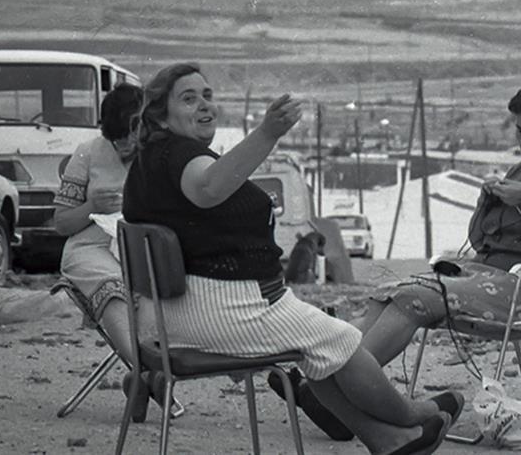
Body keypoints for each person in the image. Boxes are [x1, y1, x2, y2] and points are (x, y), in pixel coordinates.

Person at [121, 63, 455, 455]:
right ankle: (414, 414)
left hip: (171, 314)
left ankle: (388, 440)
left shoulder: (153, 158)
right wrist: (268, 133)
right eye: (188, 98)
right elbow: (209, 188)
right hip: (223, 310)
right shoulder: (178, 155)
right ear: (161, 114)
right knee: (341, 339)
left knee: (319, 351)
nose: (204, 105)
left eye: (207, 95)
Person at [355, 76, 521, 369]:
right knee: (387, 293)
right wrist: (486, 203)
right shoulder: (519, 171)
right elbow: (479, 241)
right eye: (520, 130)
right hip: (490, 278)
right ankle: (337, 375)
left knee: (415, 298)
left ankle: (354, 380)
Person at [54, 84, 170, 419]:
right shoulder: (87, 152)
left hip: (139, 246)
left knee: (153, 293)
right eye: (116, 139)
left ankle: (140, 377)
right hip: (89, 248)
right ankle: (149, 372)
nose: (124, 146)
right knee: (112, 287)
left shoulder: (158, 156)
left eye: (130, 137)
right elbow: (61, 222)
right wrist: (91, 204)